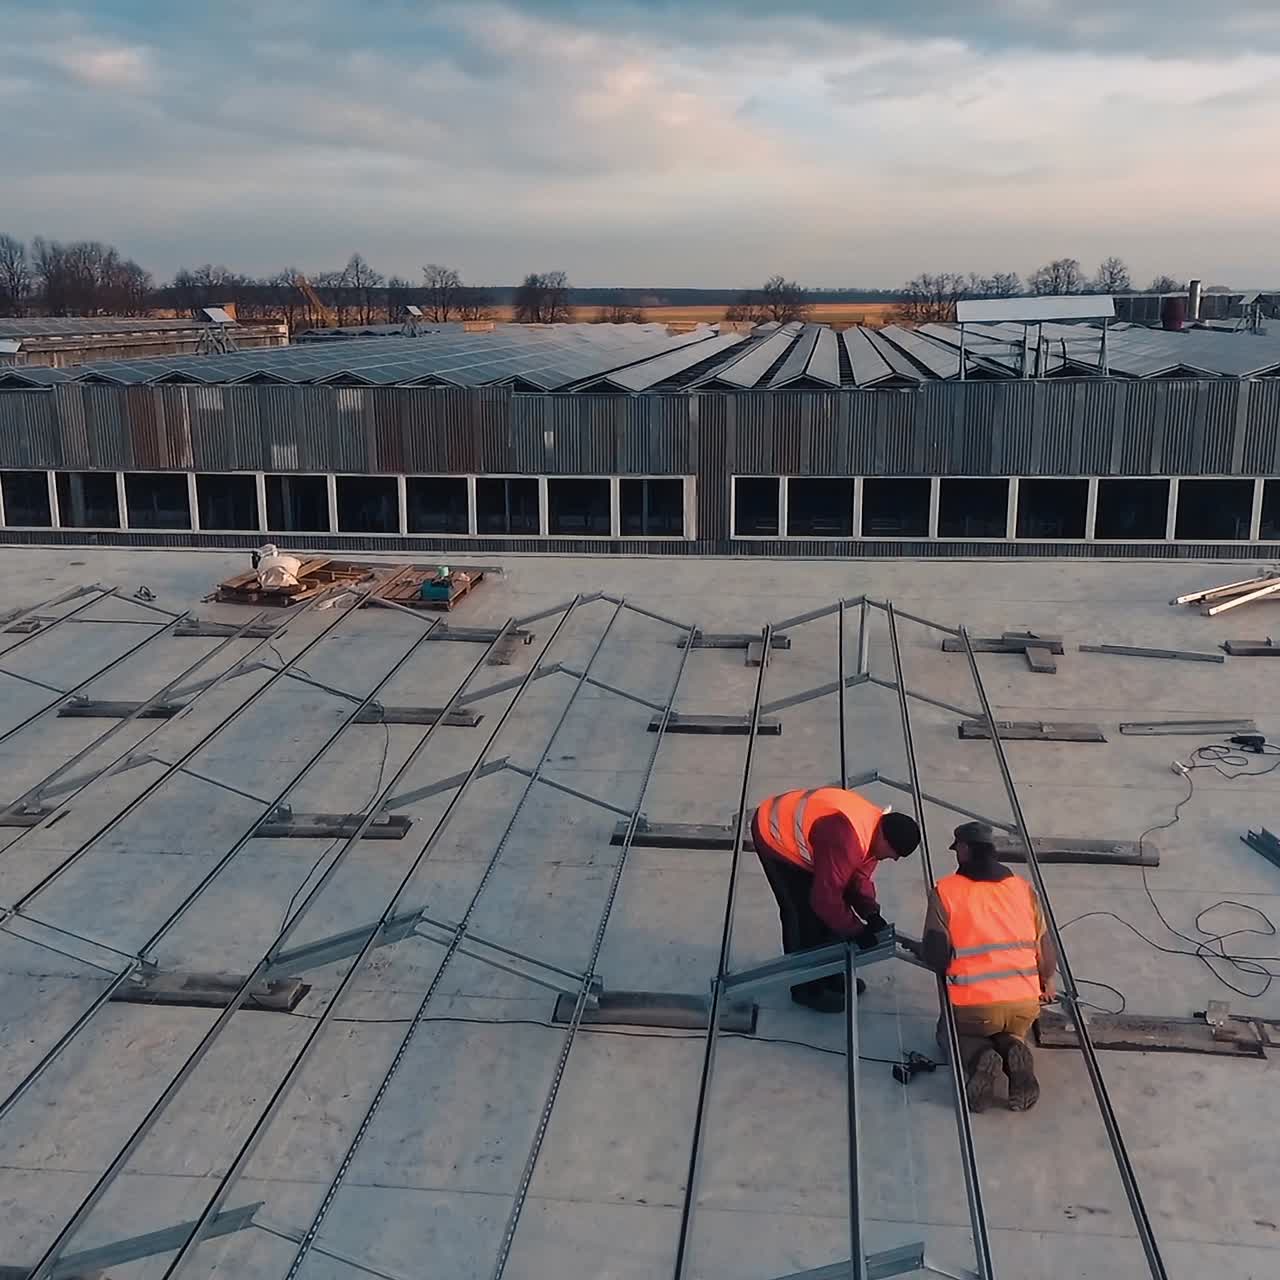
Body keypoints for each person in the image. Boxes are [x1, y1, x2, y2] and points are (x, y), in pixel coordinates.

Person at [919, 821, 1057, 1113]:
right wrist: (1047, 982)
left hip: (972, 1007)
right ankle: (1012, 1049)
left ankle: (981, 1057)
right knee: (1006, 1025)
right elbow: (1046, 952)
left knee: (950, 1033)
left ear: (965, 849)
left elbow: (936, 955)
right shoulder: (1023, 889)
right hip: (1024, 1005)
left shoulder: (945, 891)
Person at [752, 787, 921, 1013]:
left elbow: (857, 878)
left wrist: (871, 913)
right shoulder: (845, 837)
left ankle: (828, 973)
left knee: (831, 910)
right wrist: (857, 931)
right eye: (894, 853)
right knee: (801, 914)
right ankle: (805, 988)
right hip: (774, 833)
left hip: (811, 836)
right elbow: (825, 900)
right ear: (885, 838)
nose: (894, 859)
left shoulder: (872, 832)